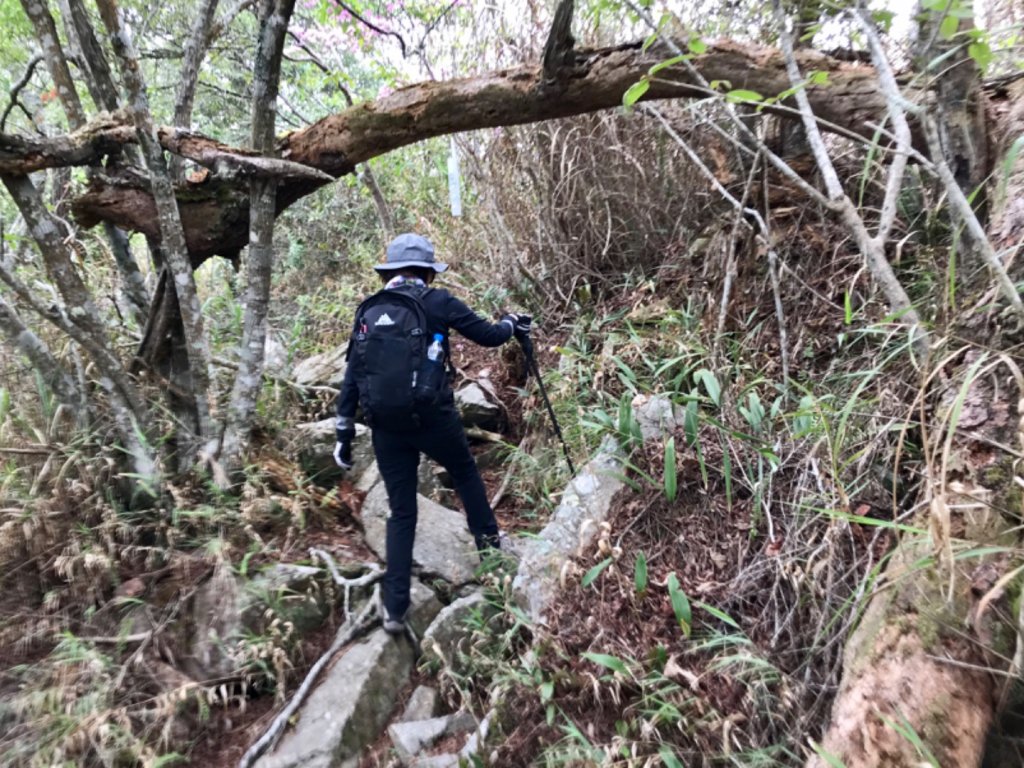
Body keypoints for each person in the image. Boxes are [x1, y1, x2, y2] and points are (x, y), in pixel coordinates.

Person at [334, 233, 530, 635]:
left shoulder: (369, 310)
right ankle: (494, 566)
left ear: (390, 271)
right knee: (465, 475)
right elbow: (490, 336)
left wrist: (342, 430)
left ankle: (394, 609)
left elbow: (353, 373)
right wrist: (512, 323)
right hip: (432, 418)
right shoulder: (438, 302)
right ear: (427, 271)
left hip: (385, 426)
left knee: (402, 510)